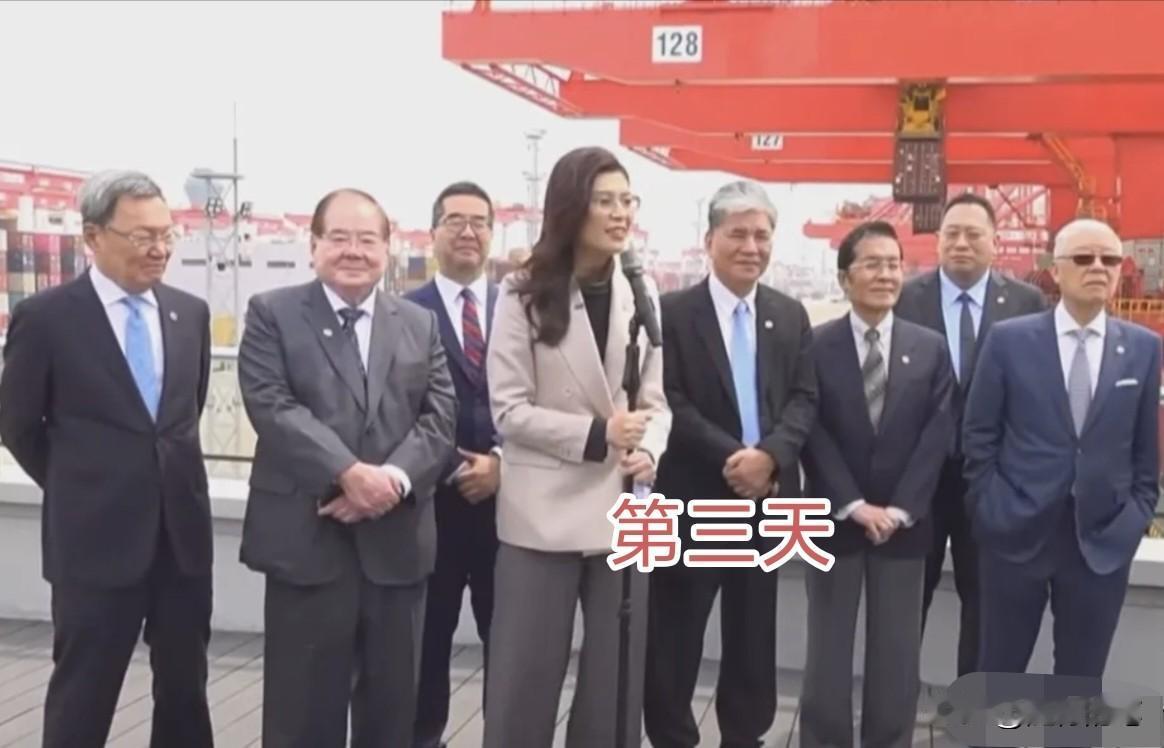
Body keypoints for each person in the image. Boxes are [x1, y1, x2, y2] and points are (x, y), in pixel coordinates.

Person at [236, 188, 457, 747]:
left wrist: (392, 482)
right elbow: (271, 405)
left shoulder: (420, 323)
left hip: (396, 546)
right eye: (338, 238)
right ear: (313, 246)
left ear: (387, 248)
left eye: (366, 239)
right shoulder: (271, 313)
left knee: (391, 717)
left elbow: (439, 418)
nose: (353, 251)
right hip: (307, 543)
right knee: (301, 718)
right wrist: (347, 474)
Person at [0, 171, 214, 748]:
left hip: (181, 542)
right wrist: (81, 484)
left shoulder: (190, 314)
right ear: (93, 236)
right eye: (142, 236)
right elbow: (18, 425)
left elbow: (181, 417)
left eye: (166, 235)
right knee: (83, 696)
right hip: (93, 544)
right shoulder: (47, 318)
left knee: (186, 693)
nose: (159, 249)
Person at [483, 146, 672, 747]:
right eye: (605, 201)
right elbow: (509, 410)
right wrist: (598, 435)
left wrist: (650, 450)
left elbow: (655, 403)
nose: (621, 214)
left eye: (627, 200)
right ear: (571, 207)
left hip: (622, 504)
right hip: (542, 511)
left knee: (616, 682)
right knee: (525, 680)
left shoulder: (640, 289)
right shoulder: (522, 291)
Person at [643, 180, 818, 748]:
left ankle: (745, 734)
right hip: (692, 496)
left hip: (767, 498)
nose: (751, 246)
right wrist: (734, 457)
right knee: (676, 632)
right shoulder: (672, 314)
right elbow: (668, 398)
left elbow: (804, 398)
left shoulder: (789, 314)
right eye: (738, 234)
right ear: (709, 240)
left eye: (761, 235)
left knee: (752, 634)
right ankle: (672, 736)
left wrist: (771, 457)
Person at [963, 218, 1161, 679]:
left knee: (1080, 680)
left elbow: (1145, 451)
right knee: (998, 674)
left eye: (1110, 259)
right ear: (1056, 269)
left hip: (1101, 540)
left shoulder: (1143, 348)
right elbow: (978, 434)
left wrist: (1136, 515)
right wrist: (990, 506)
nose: (1099, 267)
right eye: (1084, 258)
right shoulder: (1009, 341)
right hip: (1016, 532)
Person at [799, 221, 954, 748]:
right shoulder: (815, 345)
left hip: (904, 526)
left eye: (894, 264)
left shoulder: (930, 348)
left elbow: (938, 432)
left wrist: (902, 508)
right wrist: (852, 503)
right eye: (872, 264)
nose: (886, 274)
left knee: (897, 652)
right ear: (845, 278)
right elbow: (811, 430)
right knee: (827, 649)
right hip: (834, 520)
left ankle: (889, 740)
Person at [894, 192, 1045, 677]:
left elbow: (1036, 393)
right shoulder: (904, 299)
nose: (961, 243)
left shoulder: (1026, 303)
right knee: (906, 600)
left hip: (991, 481)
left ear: (995, 242)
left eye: (973, 234)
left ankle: (973, 709)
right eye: (952, 234)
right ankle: (893, 707)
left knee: (984, 602)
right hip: (917, 481)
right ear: (938, 241)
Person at [404, 181, 501, 748]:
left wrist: (501, 463)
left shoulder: (522, 310)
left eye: (479, 222)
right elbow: (394, 408)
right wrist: (449, 467)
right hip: (431, 509)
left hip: (508, 511)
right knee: (427, 642)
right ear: (433, 232)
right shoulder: (404, 313)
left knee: (507, 643)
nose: (468, 232)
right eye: (455, 221)